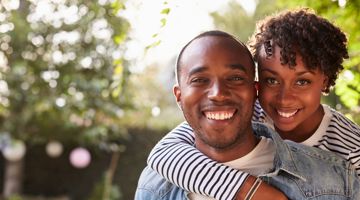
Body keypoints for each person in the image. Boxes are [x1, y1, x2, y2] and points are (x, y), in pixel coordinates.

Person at [146, 8, 360, 200]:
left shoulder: (350, 146)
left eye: (302, 81)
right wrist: (249, 190)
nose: (284, 99)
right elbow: (163, 153)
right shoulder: (248, 111)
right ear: (256, 83)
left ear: (324, 80)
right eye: (272, 80)